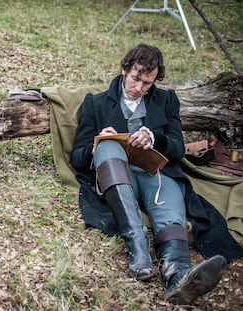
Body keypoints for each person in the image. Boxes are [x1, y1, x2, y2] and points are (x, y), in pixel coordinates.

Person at [70, 43, 229, 305]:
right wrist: (98, 142)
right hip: (116, 175)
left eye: (147, 83)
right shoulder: (96, 103)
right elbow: (77, 157)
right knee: (109, 145)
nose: (140, 88)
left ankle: (178, 277)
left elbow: (177, 149)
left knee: (169, 210)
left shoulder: (166, 101)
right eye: (136, 79)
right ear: (124, 69)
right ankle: (138, 246)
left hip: (156, 174)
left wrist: (155, 138)